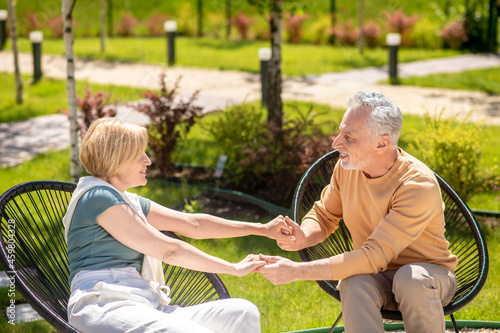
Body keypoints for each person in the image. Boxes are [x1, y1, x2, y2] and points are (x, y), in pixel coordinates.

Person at [64, 118, 291, 333]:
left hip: (142, 303)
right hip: (104, 304)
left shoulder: (128, 201)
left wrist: (261, 229)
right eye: (139, 155)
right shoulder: (98, 197)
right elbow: (168, 250)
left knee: (243, 313)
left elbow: (193, 223)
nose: (148, 161)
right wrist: (232, 268)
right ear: (117, 159)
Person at [258, 90, 458, 333]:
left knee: (410, 279)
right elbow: (324, 215)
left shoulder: (417, 185)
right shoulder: (348, 167)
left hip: (429, 278)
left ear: (381, 143)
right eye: (340, 132)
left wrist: (295, 272)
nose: (336, 143)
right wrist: (303, 236)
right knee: (354, 282)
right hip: (378, 274)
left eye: (349, 137)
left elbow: (373, 255)